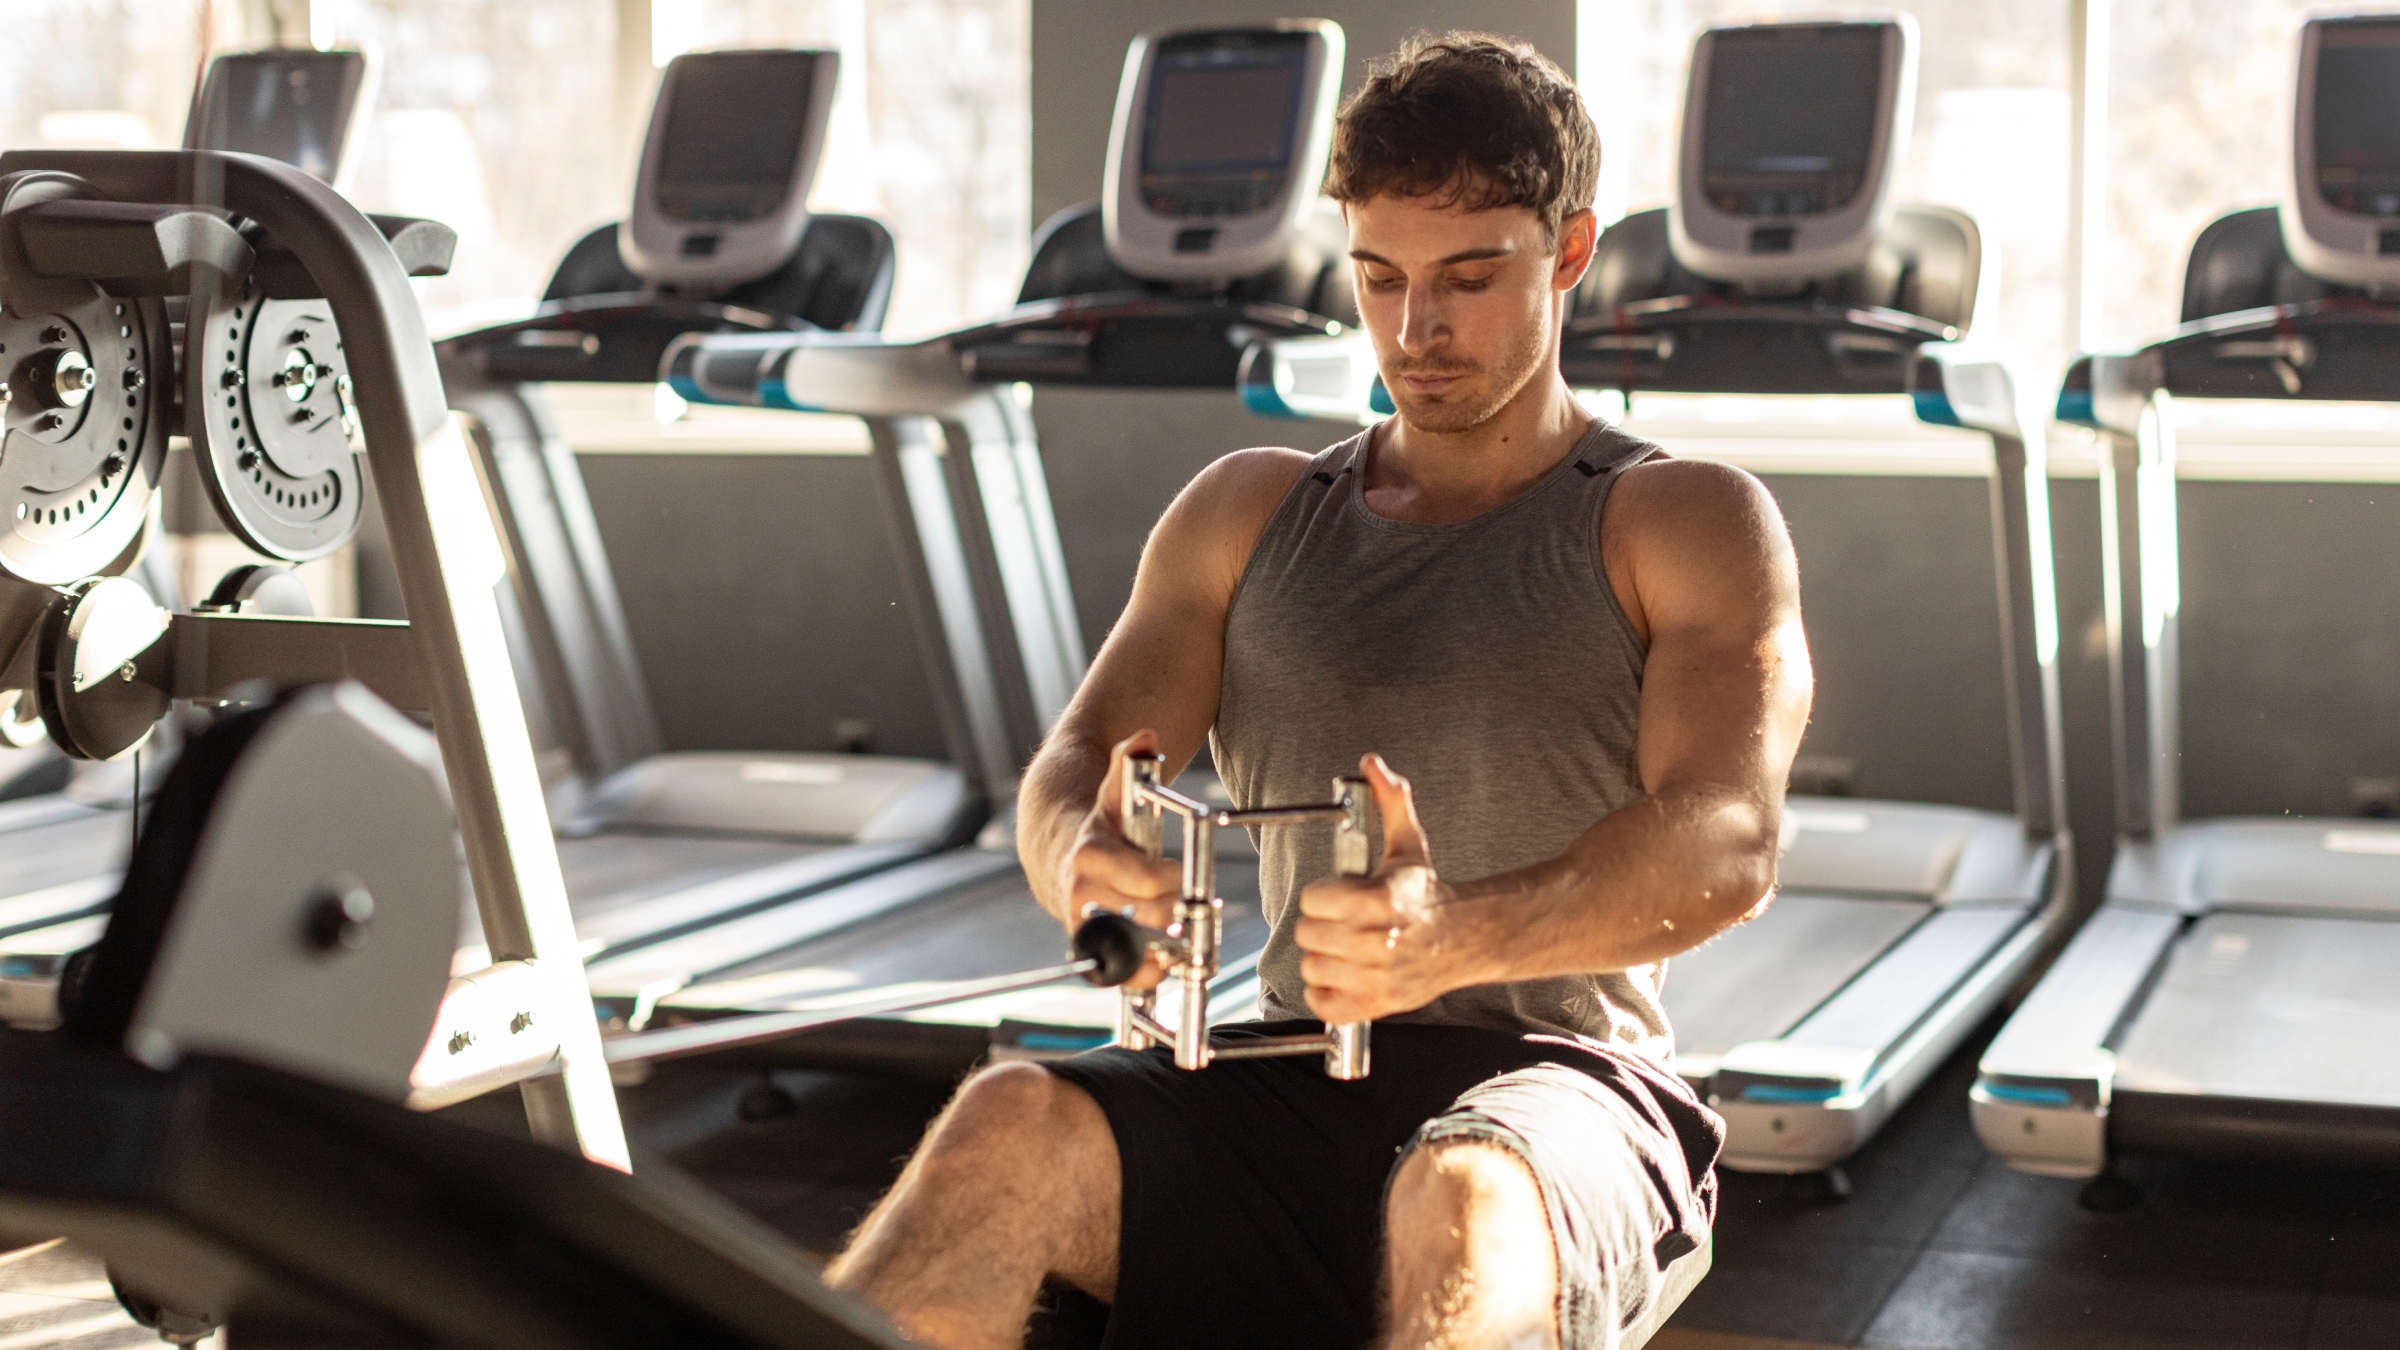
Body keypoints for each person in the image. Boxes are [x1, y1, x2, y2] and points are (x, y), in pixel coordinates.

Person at [824, 31, 1811, 1350]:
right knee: (1007, 1118)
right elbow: (1071, 767)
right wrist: (1085, 857)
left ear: (1570, 253)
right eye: (1382, 277)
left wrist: (1455, 933)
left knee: (1460, 1194)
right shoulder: (1247, 512)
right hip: (1288, 1066)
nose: (1418, 329)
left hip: (1568, 1085)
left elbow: (1728, 842)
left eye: (1470, 277)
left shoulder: (1677, 518)